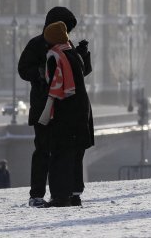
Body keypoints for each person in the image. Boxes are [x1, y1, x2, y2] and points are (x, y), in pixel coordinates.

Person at [18, 7, 85, 207]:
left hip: (63, 110)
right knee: (43, 151)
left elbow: (79, 74)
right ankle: (37, 194)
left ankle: (67, 192)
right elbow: (23, 69)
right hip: (43, 108)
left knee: (64, 152)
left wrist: (82, 56)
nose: (68, 33)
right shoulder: (37, 44)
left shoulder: (66, 45)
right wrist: (43, 73)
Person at [36, 21, 94, 207]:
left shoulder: (55, 56)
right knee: (76, 154)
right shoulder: (73, 53)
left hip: (65, 112)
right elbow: (85, 70)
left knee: (60, 155)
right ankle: (74, 194)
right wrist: (84, 52)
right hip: (82, 110)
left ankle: (60, 197)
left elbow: (52, 86)